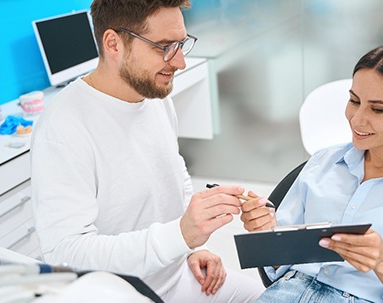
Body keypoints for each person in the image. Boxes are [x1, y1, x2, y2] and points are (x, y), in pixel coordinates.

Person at [30, 0, 263, 302]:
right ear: (113, 43)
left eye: (181, 44)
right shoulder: (63, 128)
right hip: (119, 294)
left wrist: (189, 246)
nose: (179, 62)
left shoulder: (153, 93)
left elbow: (173, 170)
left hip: (175, 276)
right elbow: (67, 256)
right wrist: (179, 236)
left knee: (270, 296)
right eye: (163, 46)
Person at [240, 42, 383, 303]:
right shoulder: (323, 162)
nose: (357, 119)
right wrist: (266, 232)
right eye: (354, 101)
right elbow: (275, 272)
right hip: (286, 293)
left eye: (378, 109)